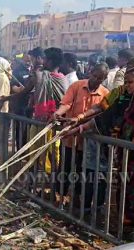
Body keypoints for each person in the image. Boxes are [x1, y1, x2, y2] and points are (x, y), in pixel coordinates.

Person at [66, 59, 134, 224]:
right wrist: (80, 125)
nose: (128, 85)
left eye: (131, 82)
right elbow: (105, 116)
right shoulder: (121, 95)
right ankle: (126, 218)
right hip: (125, 150)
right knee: (125, 182)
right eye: (126, 81)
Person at [50, 63, 110, 201]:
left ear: (104, 79)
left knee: (82, 172)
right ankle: (58, 196)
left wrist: (81, 119)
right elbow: (66, 103)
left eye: (100, 78)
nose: (96, 80)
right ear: (90, 72)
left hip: (89, 143)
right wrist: (58, 113)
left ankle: (77, 199)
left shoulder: (106, 94)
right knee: (65, 168)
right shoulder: (76, 86)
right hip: (70, 138)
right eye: (94, 76)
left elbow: (101, 114)